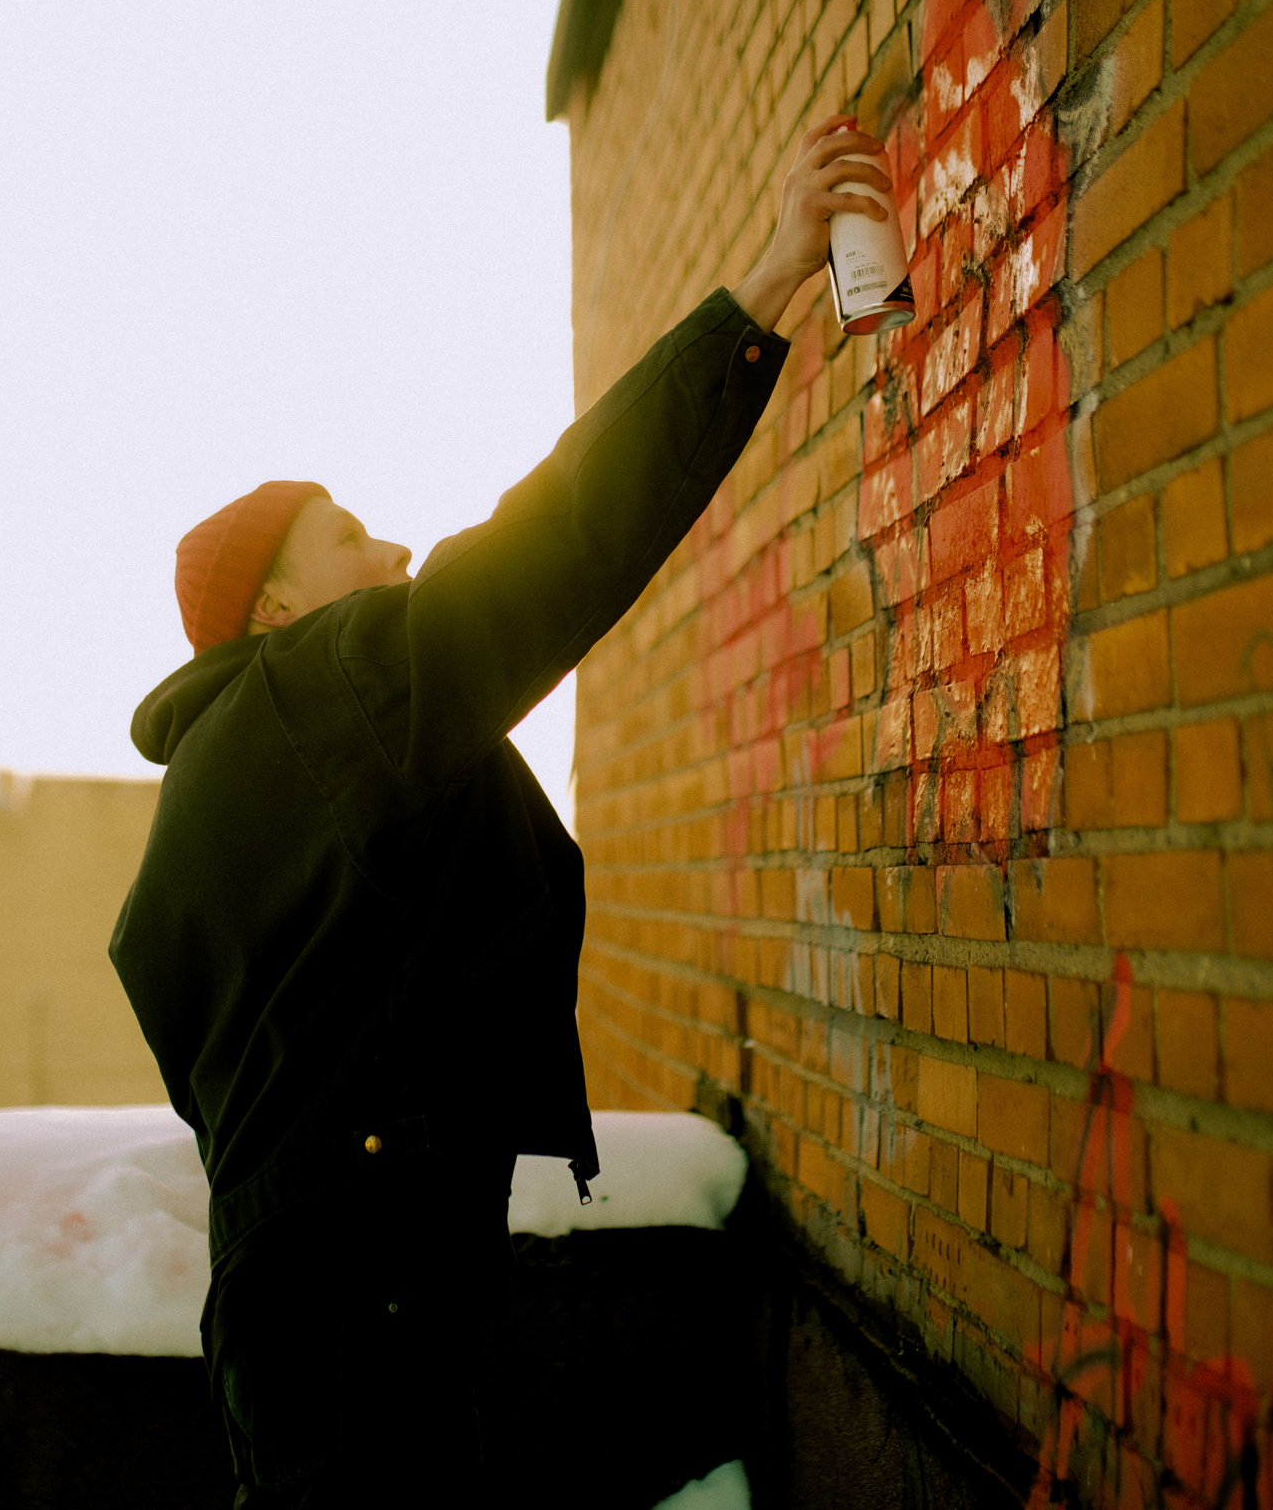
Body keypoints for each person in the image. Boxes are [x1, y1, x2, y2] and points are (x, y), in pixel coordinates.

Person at [108, 113, 894, 1507]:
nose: (397, 548)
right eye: (351, 537)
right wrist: (766, 283)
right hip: (362, 1321)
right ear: (278, 609)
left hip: (330, 1306)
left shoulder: (257, 769)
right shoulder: (315, 692)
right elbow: (554, 544)